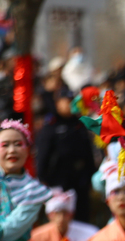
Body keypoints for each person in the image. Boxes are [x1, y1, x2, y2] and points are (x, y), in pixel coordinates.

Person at [35, 90, 99, 222]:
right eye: (66, 102)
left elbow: (88, 152)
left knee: (81, 216)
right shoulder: (51, 126)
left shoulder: (80, 124)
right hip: (58, 180)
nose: (69, 105)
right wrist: (42, 177)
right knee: (60, 217)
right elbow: (42, 154)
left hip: (80, 180)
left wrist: (90, 175)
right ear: (58, 103)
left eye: (71, 102)